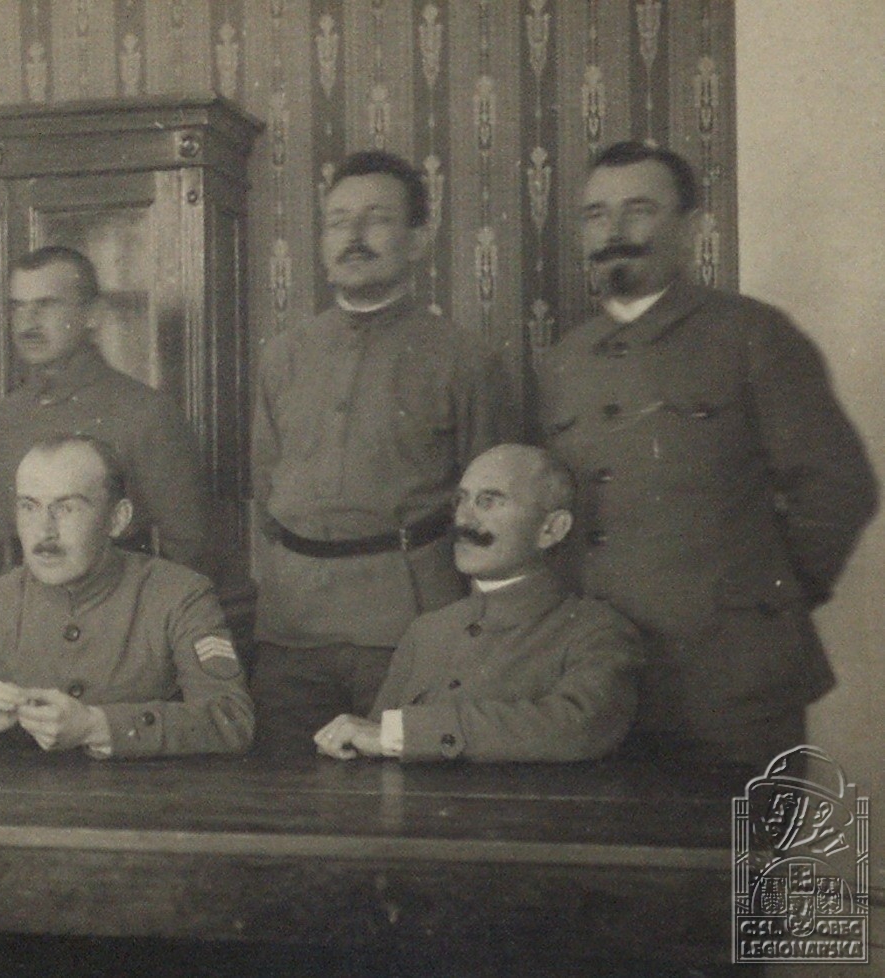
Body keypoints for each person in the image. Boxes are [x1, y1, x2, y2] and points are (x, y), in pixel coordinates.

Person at [537, 141, 878, 766]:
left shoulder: (753, 335)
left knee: (744, 833)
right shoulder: (564, 361)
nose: (613, 232)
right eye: (595, 214)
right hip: (604, 686)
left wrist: (765, 599)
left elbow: (839, 486)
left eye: (639, 209)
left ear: (690, 227)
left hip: (733, 684)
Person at [250, 150, 516, 754]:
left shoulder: (464, 359)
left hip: (409, 624)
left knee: (401, 796)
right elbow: (266, 493)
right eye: (338, 221)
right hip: (291, 627)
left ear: (418, 240)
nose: (354, 236)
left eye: (376, 219)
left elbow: (493, 517)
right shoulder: (284, 356)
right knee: (278, 791)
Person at [0, 435, 252, 757]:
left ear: (117, 519)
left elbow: (230, 718)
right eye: (29, 507)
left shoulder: (179, 595)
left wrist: (97, 726)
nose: (43, 531)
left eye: (66, 508)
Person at [315, 445, 639, 763]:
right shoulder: (426, 632)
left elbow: (581, 727)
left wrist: (403, 733)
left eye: (488, 502)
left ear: (552, 529)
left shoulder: (596, 631)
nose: (463, 520)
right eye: (461, 501)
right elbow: (375, 746)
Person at [0, 245, 209, 574]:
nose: (27, 322)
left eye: (46, 305)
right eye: (18, 306)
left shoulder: (146, 414)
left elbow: (190, 550)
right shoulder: (3, 417)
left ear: (93, 315)